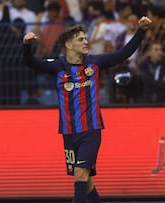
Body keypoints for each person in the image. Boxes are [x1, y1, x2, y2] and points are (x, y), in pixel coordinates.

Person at [22, 16, 152, 203]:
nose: (86, 42)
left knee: (80, 174)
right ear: (69, 45)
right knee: (86, 181)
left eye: (85, 38)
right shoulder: (58, 66)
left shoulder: (95, 62)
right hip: (68, 132)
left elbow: (124, 53)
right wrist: (26, 45)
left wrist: (141, 30)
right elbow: (31, 63)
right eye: (81, 39)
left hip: (90, 130)